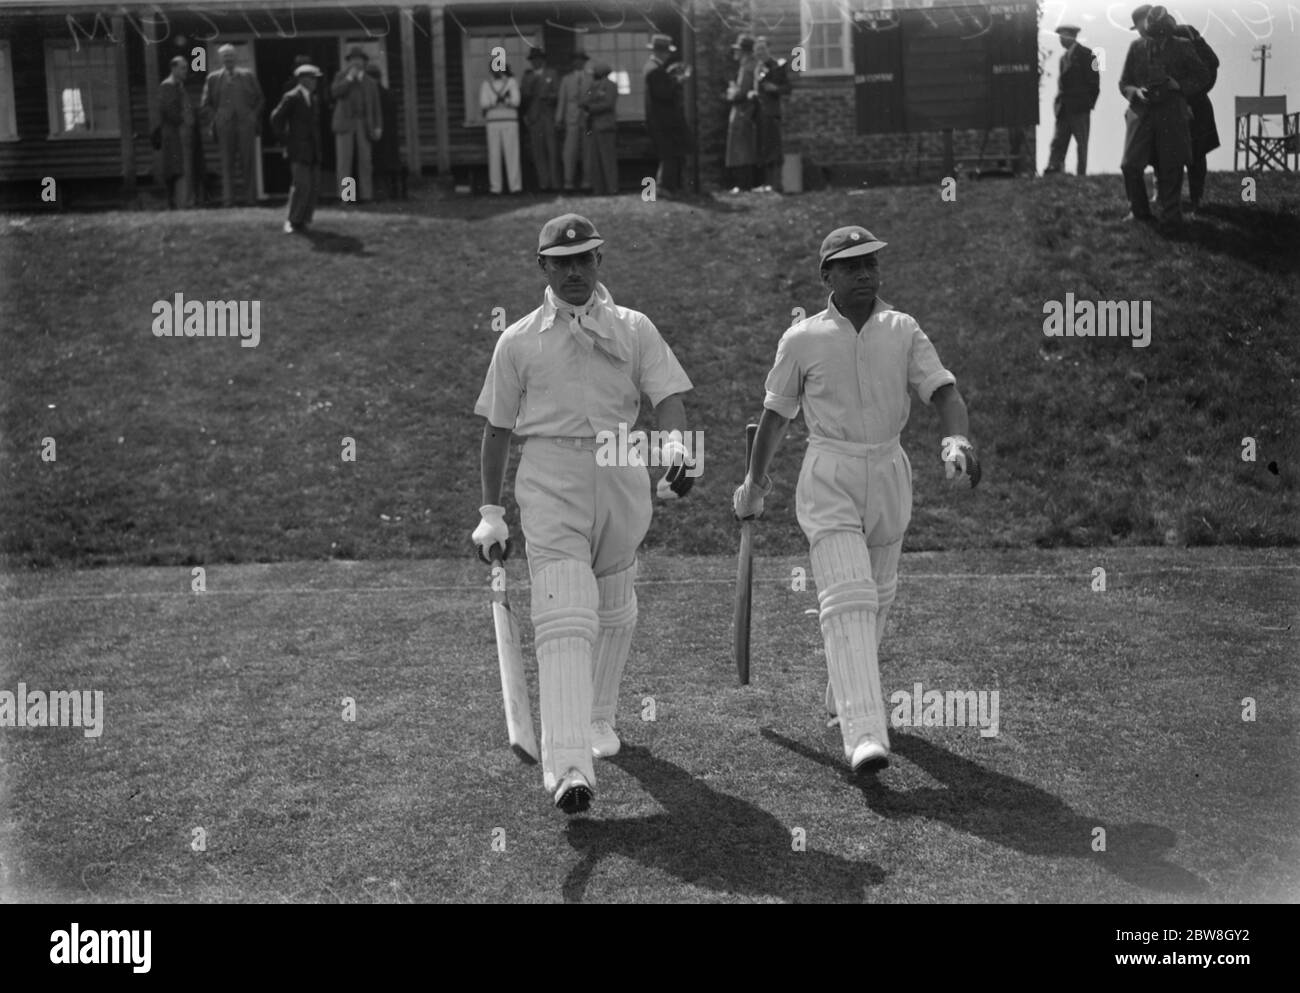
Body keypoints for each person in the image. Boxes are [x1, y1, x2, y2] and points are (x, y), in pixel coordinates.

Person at [733, 225, 980, 774]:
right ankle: (864, 733)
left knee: (878, 597)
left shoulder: (902, 328)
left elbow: (943, 391)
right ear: (827, 276)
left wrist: (956, 439)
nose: (865, 272)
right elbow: (776, 416)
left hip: (889, 471)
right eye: (851, 265)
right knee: (848, 599)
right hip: (830, 475)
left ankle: (839, 699)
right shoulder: (802, 338)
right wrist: (754, 486)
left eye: (871, 263)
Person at [472, 213, 696, 815]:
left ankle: (599, 719)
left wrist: (676, 447)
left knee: (616, 609)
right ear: (543, 267)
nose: (575, 271)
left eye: (585, 259)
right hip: (551, 477)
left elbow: (668, 397)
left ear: (599, 262)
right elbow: (496, 430)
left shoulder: (634, 327)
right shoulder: (517, 340)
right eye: (562, 262)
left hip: (622, 471)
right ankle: (568, 768)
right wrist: (492, 511)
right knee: (567, 615)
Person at [1118, 4, 1211, 225]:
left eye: (1162, 32)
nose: (1157, 37)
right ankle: (1139, 212)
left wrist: (1178, 85)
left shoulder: (1184, 46)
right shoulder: (1136, 47)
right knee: (1130, 164)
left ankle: (1171, 216)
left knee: (1172, 164)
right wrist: (1136, 92)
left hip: (1172, 112)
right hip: (1142, 112)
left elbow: (1203, 75)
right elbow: (1124, 83)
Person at [200, 44, 264, 207]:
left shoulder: (248, 76)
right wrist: (217, 117)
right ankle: (229, 200)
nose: (228, 59)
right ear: (220, 59)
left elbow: (260, 99)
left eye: (231, 56)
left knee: (248, 162)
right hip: (224, 126)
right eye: (225, 56)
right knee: (226, 163)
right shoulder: (213, 78)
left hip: (245, 124)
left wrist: (252, 115)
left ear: (236, 58)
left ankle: (251, 199)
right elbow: (205, 104)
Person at [1170, 17, 1220, 214]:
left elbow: (1211, 64)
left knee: (1196, 153)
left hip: (1195, 104)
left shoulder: (1185, 34)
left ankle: (1195, 200)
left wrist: (1190, 95)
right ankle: (1183, 200)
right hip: (1179, 104)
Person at [270, 63, 323, 234]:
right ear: (303, 79)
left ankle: (304, 220)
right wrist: (287, 140)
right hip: (298, 150)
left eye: (316, 79)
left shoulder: (313, 98)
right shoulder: (292, 97)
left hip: (313, 149)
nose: (315, 82)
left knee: (313, 186)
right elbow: (276, 118)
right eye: (312, 78)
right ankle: (292, 220)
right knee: (301, 185)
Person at [1043, 25, 1100, 176]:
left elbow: (1095, 82)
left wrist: (1088, 104)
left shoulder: (1088, 54)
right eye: (1060, 37)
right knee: (1058, 142)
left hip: (1080, 108)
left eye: (1063, 36)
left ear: (1072, 36)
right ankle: (1054, 170)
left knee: (1081, 144)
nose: (1061, 40)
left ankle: (1081, 174)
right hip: (1064, 108)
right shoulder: (1063, 59)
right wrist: (1057, 104)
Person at [331, 47, 382, 203]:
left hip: (363, 124)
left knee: (365, 161)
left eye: (359, 59)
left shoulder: (370, 82)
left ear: (364, 62)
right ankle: (347, 196)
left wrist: (378, 126)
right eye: (352, 59)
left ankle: (366, 196)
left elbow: (376, 106)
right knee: (345, 161)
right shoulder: (341, 76)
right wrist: (349, 79)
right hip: (345, 124)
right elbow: (335, 93)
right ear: (348, 62)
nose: (355, 62)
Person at [643, 34, 693, 196]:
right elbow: (663, 94)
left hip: (658, 119)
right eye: (666, 52)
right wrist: (678, 81)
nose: (668, 56)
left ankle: (662, 187)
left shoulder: (653, 68)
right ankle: (665, 187)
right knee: (669, 154)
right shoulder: (655, 70)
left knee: (667, 154)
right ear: (661, 53)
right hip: (663, 120)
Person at [752, 37, 792, 193]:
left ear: (769, 50)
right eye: (757, 49)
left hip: (772, 111)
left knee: (774, 148)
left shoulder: (777, 67)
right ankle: (767, 183)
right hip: (759, 112)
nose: (759, 52)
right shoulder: (758, 68)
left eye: (762, 49)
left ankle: (777, 184)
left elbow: (788, 87)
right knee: (764, 147)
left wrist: (775, 88)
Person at [157, 56, 197, 209]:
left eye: (186, 67)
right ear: (173, 69)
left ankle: (187, 200)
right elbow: (169, 110)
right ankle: (182, 202)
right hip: (176, 134)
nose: (185, 71)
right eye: (183, 68)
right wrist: (185, 121)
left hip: (183, 133)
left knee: (186, 167)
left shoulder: (179, 85)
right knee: (179, 168)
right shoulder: (168, 86)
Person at [521, 47, 561, 192]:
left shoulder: (552, 74)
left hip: (548, 116)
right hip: (534, 118)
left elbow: (558, 94)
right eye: (533, 60)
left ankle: (555, 184)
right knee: (538, 152)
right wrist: (530, 87)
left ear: (542, 60)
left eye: (538, 59)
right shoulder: (527, 77)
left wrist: (549, 97)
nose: (535, 62)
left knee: (552, 151)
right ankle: (543, 184)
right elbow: (523, 97)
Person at [480, 59, 522, 195]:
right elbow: (483, 103)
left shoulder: (511, 82)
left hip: (509, 121)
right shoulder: (486, 84)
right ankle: (495, 188)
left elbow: (516, 101)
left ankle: (515, 187)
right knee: (494, 155)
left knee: (512, 154)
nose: (496, 71)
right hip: (493, 122)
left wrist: (506, 100)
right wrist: (495, 100)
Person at [724, 34, 759, 193]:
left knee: (740, 147)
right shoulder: (749, 65)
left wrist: (732, 94)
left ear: (744, 51)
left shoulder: (747, 67)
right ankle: (745, 183)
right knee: (744, 146)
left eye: (738, 50)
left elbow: (743, 91)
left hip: (743, 110)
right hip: (747, 109)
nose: (735, 53)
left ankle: (743, 184)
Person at [365, 64, 404, 199]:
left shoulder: (374, 96)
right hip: (387, 136)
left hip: (377, 135)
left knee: (377, 169)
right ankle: (393, 195)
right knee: (388, 167)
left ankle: (351, 197)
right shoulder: (388, 94)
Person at [580, 62, 618, 196]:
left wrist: (591, 107)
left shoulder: (611, 85)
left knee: (608, 159)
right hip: (594, 126)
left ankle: (612, 188)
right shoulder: (593, 86)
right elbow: (584, 100)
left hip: (606, 126)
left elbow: (608, 103)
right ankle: (599, 189)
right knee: (595, 160)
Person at [556, 51, 591, 192]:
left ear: (584, 62)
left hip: (587, 119)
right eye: (576, 60)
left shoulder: (590, 78)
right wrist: (559, 119)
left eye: (581, 60)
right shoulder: (566, 79)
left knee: (587, 152)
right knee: (569, 152)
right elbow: (562, 99)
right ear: (572, 62)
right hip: (571, 119)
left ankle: (587, 182)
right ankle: (568, 182)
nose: (578, 62)